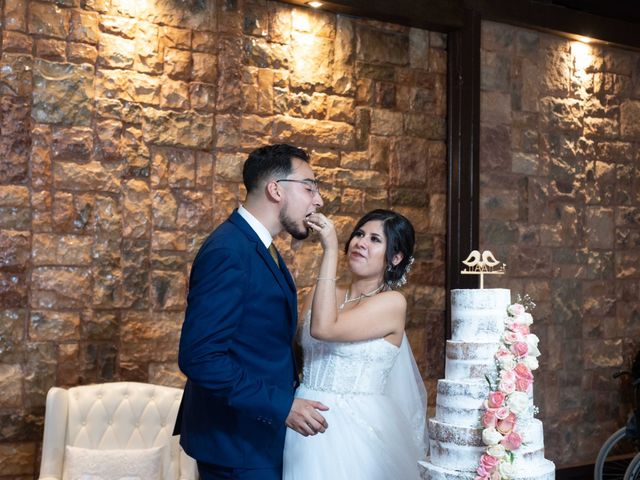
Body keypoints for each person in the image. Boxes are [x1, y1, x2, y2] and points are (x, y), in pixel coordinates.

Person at [174, 144, 330, 480]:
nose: (318, 200)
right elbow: (200, 357)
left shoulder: (259, 246)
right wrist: (281, 406)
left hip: (255, 439)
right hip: (236, 445)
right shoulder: (229, 250)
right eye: (309, 187)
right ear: (276, 189)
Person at [283, 209, 428, 479]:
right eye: (359, 234)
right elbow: (296, 353)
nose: (361, 242)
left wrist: (330, 250)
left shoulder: (392, 303)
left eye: (375, 240)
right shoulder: (319, 294)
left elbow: (324, 328)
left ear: (395, 258)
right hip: (302, 421)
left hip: (357, 431)